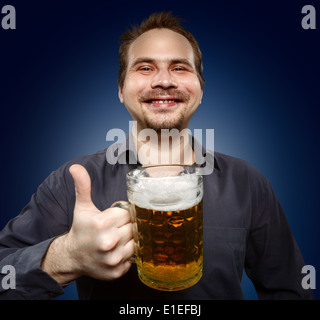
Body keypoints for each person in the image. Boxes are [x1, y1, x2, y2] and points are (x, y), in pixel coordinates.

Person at [0, 12, 313, 300]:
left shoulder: (247, 182)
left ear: (201, 90)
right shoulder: (74, 179)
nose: (164, 80)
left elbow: (290, 290)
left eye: (179, 67)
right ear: (121, 90)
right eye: (145, 67)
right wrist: (65, 257)